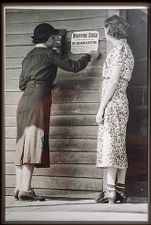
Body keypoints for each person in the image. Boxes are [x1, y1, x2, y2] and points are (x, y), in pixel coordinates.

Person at [14, 23, 99, 201]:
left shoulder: (28, 57)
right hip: (39, 100)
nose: (55, 39)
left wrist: (44, 83)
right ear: (46, 39)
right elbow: (75, 66)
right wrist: (89, 56)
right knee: (33, 141)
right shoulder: (49, 54)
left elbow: (22, 84)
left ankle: (19, 187)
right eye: (53, 37)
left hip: (24, 102)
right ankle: (26, 191)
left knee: (22, 143)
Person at [96, 15, 134, 203]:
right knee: (117, 145)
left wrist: (101, 108)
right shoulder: (125, 49)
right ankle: (118, 190)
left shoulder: (119, 49)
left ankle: (110, 192)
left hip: (113, 102)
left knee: (111, 144)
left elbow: (113, 81)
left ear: (108, 29)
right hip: (119, 101)